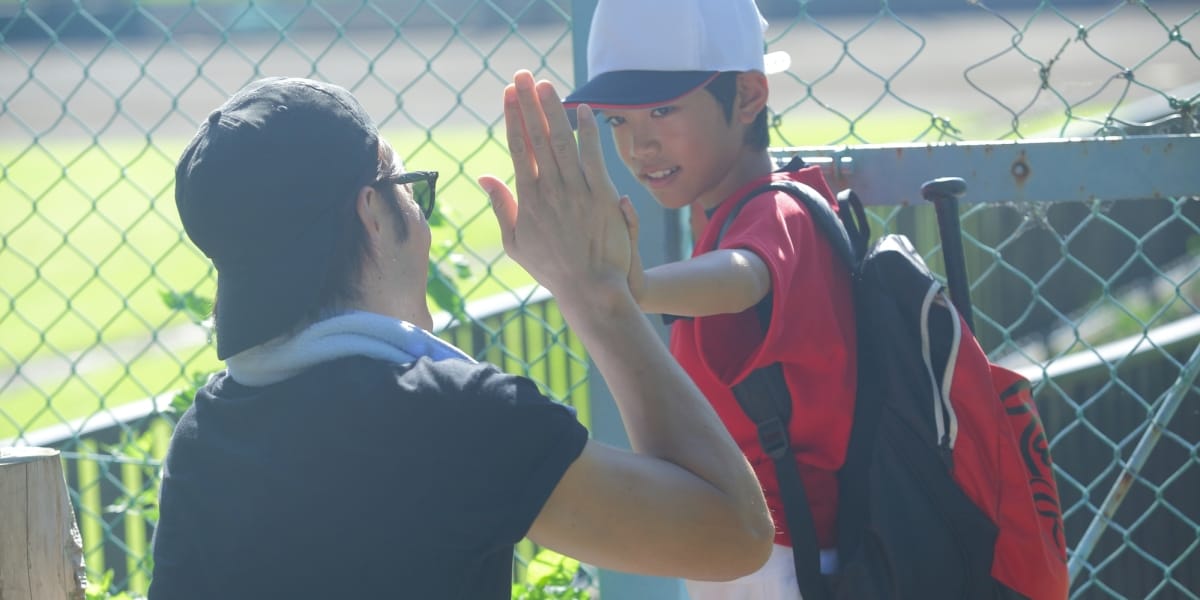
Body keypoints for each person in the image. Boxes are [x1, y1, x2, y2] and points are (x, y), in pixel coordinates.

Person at [148, 74, 774, 599]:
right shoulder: (445, 414)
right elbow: (737, 534)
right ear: (372, 212)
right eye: (408, 191)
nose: (421, 222)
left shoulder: (204, 438)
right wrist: (596, 292)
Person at [561, 0, 858, 598]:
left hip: (792, 557)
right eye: (617, 121)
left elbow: (745, 275)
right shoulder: (725, 214)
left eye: (663, 110)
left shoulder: (779, 210)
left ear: (748, 96)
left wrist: (637, 287)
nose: (639, 145)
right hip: (757, 545)